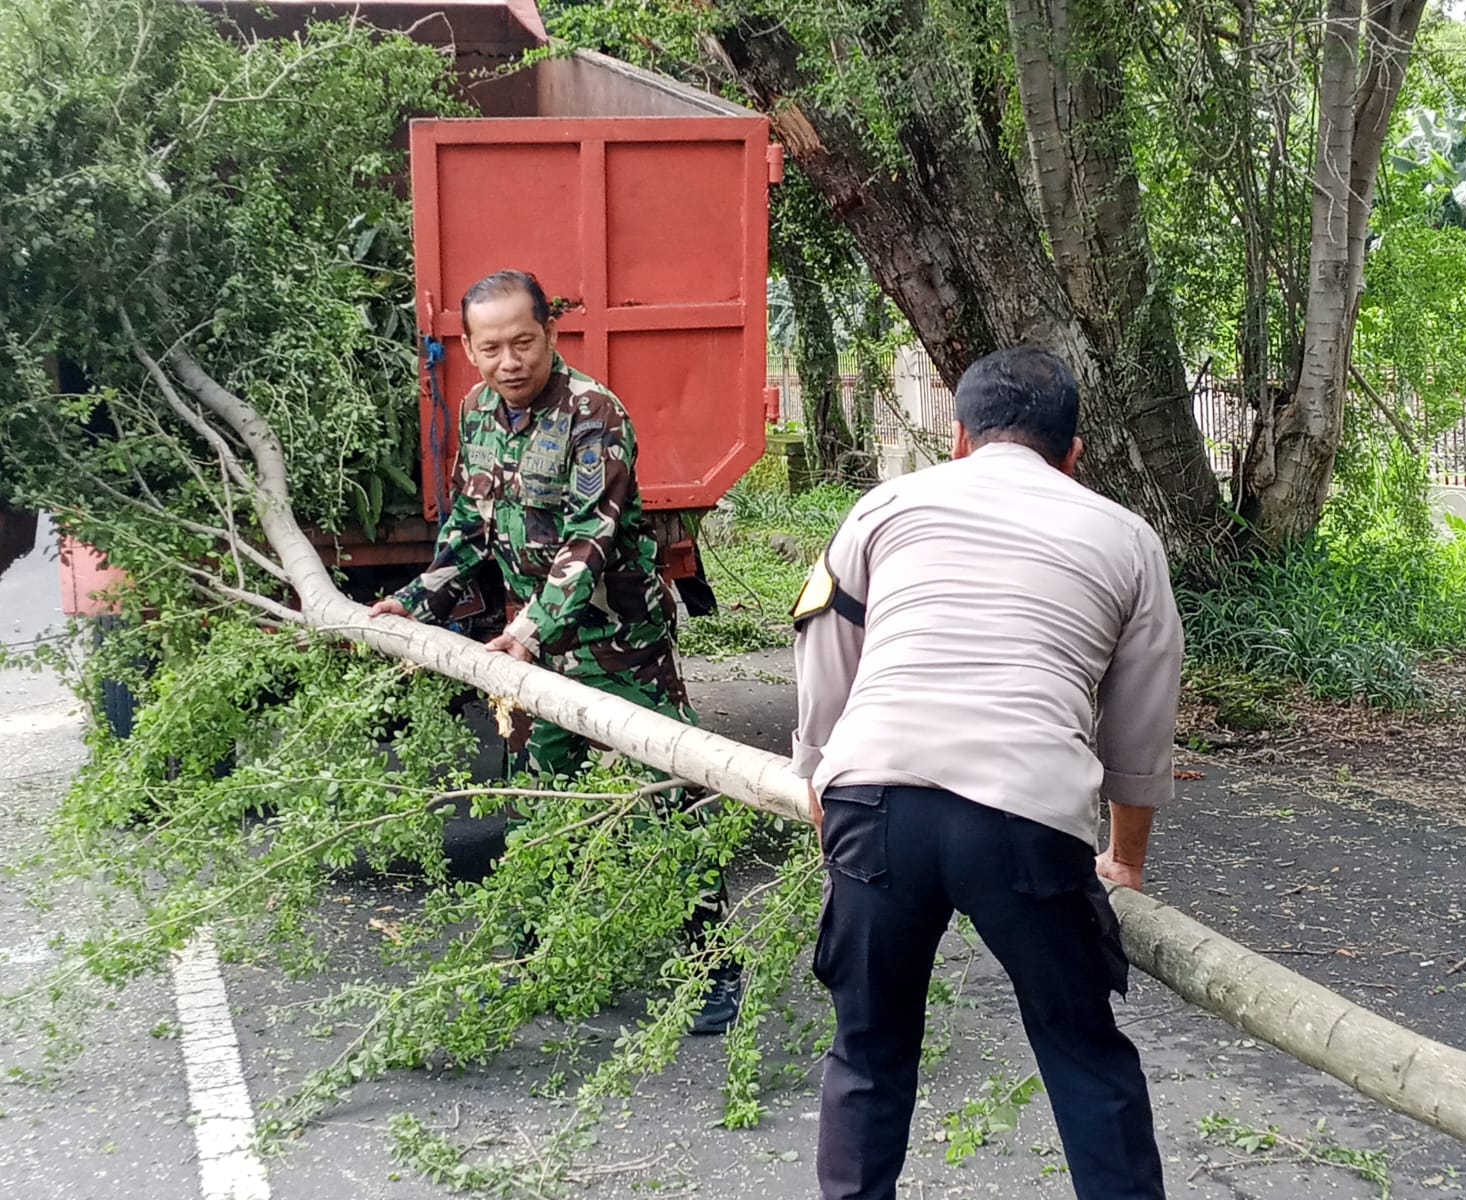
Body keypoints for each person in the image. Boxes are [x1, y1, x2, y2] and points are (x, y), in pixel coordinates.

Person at [791, 346, 1181, 1200]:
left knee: (867, 1050)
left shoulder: (884, 506)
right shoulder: (1125, 536)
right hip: (1024, 813)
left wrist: (816, 774)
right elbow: (1143, 726)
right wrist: (1126, 860)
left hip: (874, 800)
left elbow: (826, 644)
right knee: (1082, 1051)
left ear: (958, 437)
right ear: (1072, 454)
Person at [371, 268, 740, 1035]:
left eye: (524, 342)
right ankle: (532, 956)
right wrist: (411, 602)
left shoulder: (594, 415)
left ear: (552, 335)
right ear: (470, 351)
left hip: (619, 648)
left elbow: (589, 540)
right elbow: (468, 534)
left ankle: (711, 967)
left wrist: (527, 630)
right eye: (493, 347)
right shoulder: (476, 414)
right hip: (535, 657)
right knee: (541, 802)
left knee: (666, 799)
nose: (510, 361)